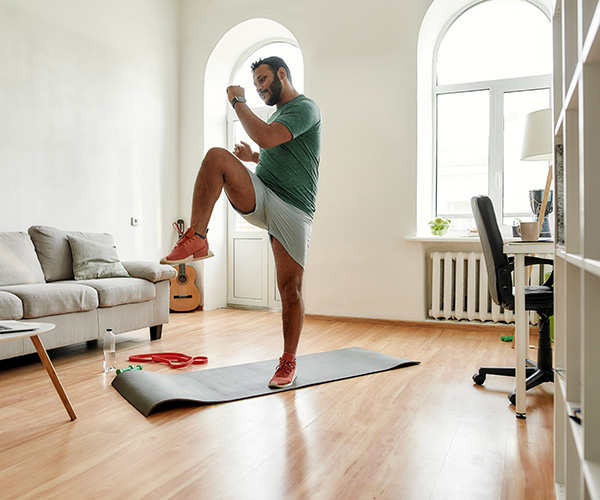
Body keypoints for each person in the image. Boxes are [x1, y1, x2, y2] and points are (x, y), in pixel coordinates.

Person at [161, 56, 322, 388]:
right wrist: (254, 159)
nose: (260, 88)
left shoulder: (305, 108)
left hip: (293, 209)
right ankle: (197, 236)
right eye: (255, 84)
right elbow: (276, 150)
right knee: (218, 157)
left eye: (263, 80)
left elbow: (266, 136)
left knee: (289, 289)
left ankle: (288, 360)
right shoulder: (279, 114)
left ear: (282, 74)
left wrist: (237, 101)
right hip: (263, 194)